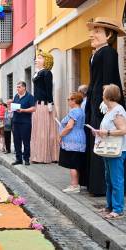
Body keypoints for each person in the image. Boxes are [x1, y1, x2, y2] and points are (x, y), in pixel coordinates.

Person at [83, 17, 126, 196]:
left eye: (98, 31)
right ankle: (95, 184)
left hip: (103, 102)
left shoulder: (108, 52)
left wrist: (106, 101)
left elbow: (109, 77)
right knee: (96, 139)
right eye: (93, 31)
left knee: (104, 140)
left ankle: (102, 187)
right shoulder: (95, 53)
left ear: (108, 35)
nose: (92, 34)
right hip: (94, 101)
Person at [95, 84, 126, 219]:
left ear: (108, 95)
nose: (102, 95)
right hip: (108, 149)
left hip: (117, 151)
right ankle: (109, 206)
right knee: (109, 180)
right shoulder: (109, 110)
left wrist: (106, 132)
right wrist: (99, 133)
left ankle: (118, 209)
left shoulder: (118, 110)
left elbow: (123, 130)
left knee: (116, 180)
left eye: (103, 93)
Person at [30, 50, 59, 164]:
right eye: (37, 58)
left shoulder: (47, 73)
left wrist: (50, 103)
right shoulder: (38, 73)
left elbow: (49, 89)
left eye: (40, 58)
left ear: (46, 61)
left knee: (45, 131)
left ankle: (46, 155)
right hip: (38, 104)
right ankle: (38, 155)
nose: (37, 60)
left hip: (45, 104)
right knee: (39, 131)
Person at [59, 92, 86, 193]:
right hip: (79, 138)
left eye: (69, 99)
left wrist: (60, 135)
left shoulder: (74, 111)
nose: (68, 101)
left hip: (72, 139)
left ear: (74, 100)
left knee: (72, 163)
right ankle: (75, 184)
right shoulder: (81, 111)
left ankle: (74, 186)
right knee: (76, 162)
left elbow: (69, 126)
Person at [12, 81, 36, 165]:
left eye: (19, 87)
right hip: (16, 122)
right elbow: (14, 106)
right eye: (17, 87)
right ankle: (18, 159)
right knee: (16, 141)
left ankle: (26, 159)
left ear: (24, 87)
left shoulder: (30, 96)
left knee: (26, 141)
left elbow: (33, 108)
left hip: (25, 123)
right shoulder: (16, 96)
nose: (17, 89)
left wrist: (23, 110)